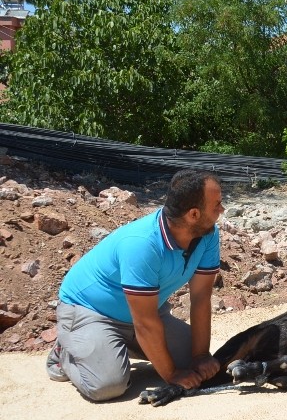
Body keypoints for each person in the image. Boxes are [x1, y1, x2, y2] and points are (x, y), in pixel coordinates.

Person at [46, 169, 225, 401]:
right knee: (108, 386)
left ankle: (117, 347)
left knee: (196, 364)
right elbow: (146, 323)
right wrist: (171, 374)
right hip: (91, 311)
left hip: (144, 314)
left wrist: (201, 355)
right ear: (193, 214)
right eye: (217, 205)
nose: (221, 210)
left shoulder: (208, 234)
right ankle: (64, 354)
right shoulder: (142, 244)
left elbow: (201, 298)